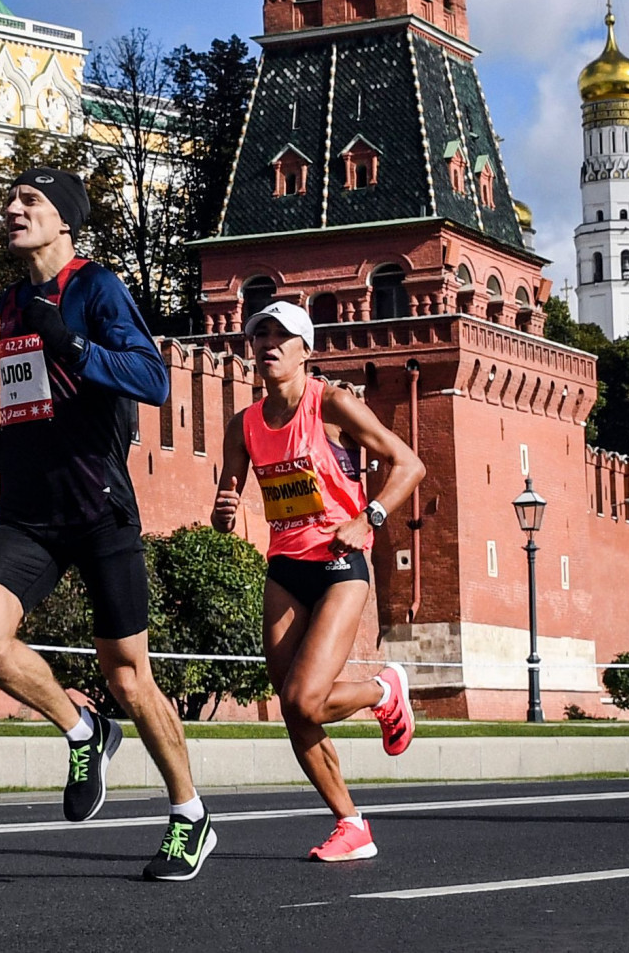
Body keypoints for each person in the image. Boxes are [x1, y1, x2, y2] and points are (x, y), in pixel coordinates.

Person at [0, 167, 213, 881]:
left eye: (30, 200)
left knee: (129, 677)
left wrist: (72, 344)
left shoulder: (96, 287)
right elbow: (38, 393)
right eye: (10, 199)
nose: (12, 208)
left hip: (100, 509)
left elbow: (153, 379)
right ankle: (82, 730)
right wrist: (7, 440)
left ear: (65, 219)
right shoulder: (12, 301)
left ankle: (190, 814)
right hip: (30, 512)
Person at [211, 302, 422, 862]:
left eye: (281, 336)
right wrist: (224, 512)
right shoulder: (244, 425)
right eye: (260, 335)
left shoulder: (331, 404)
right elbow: (226, 497)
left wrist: (369, 518)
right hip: (285, 567)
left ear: (306, 351)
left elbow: (409, 464)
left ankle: (383, 691)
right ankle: (351, 825)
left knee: (304, 700)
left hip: (338, 563)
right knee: (293, 708)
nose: (268, 345)